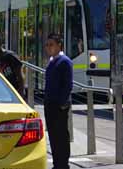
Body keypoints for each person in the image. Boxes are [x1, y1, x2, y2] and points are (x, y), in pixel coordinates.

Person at [44, 33, 73, 169]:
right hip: (50, 104)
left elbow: (68, 85)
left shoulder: (64, 61)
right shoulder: (51, 61)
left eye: (51, 44)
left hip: (59, 106)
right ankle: (57, 164)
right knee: (53, 137)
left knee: (61, 136)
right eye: (47, 45)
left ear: (59, 45)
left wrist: (62, 104)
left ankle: (63, 164)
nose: (49, 47)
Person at [0, 32, 24, 96]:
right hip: (1, 95)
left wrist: (21, 93)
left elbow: (20, 76)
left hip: (14, 93)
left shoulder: (10, 56)